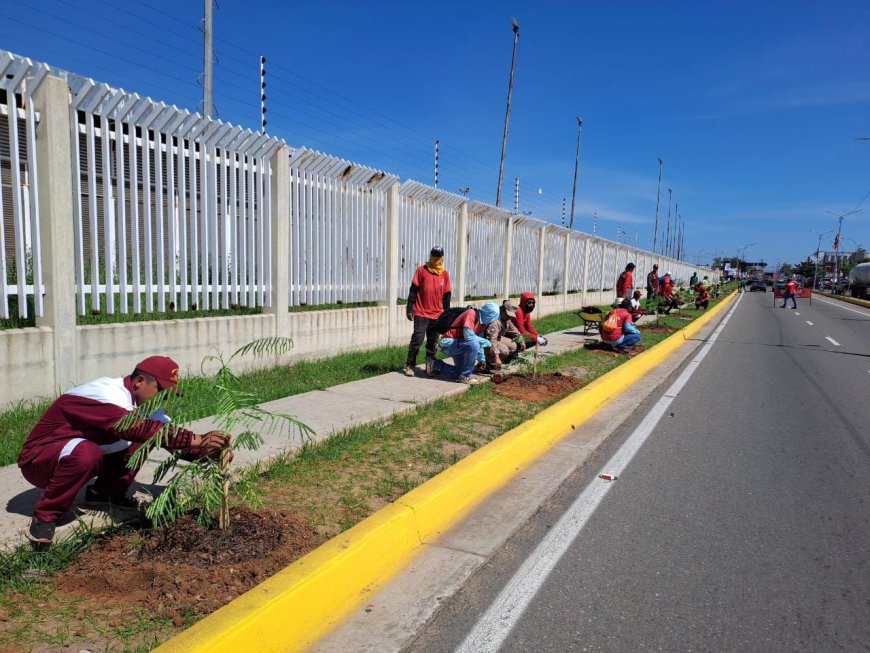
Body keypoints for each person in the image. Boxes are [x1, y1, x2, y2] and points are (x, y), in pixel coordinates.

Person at [17, 356, 231, 546]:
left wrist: (209, 452)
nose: (164, 399)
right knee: (89, 451)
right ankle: (46, 515)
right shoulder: (106, 394)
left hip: (76, 454)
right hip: (39, 460)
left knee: (143, 440)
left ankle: (104, 494)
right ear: (139, 382)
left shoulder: (146, 407)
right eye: (161, 391)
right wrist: (196, 438)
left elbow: (172, 441)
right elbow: (134, 427)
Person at [404, 246, 452, 377]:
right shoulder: (421, 271)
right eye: (433, 255)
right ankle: (409, 365)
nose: (435, 258)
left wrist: (446, 316)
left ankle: (429, 366)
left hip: (437, 314)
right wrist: (409, 308)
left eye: (438, 256)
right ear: (430, 256)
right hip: (421, 312)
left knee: (432, 343)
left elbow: (446, 297)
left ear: (442, 258)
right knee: (417, 340)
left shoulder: (445, 275)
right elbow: (413, 290)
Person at [433, 302, 499, 384]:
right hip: (450, 343)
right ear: (489, 314)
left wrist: (481, 359)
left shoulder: (481, 323)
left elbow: (479, 341)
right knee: (474, 344)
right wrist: (489, 343)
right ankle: (466, 376)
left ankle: (434, 364)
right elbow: (469, 336)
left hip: (461, 345)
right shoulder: (470, 313)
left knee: (459, 373)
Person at [482, 301, 522, 370]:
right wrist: (497, 356)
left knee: (513, 345)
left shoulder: (506, 319)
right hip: (487, 341)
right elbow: (492, 340)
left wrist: (521, 339)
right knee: (504, 351)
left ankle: (499, 360)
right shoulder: (495, 322)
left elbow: (513, 329)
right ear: (502, 310)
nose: (509, 317)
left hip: (497, 338)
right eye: (508, 315)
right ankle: (487, 361)